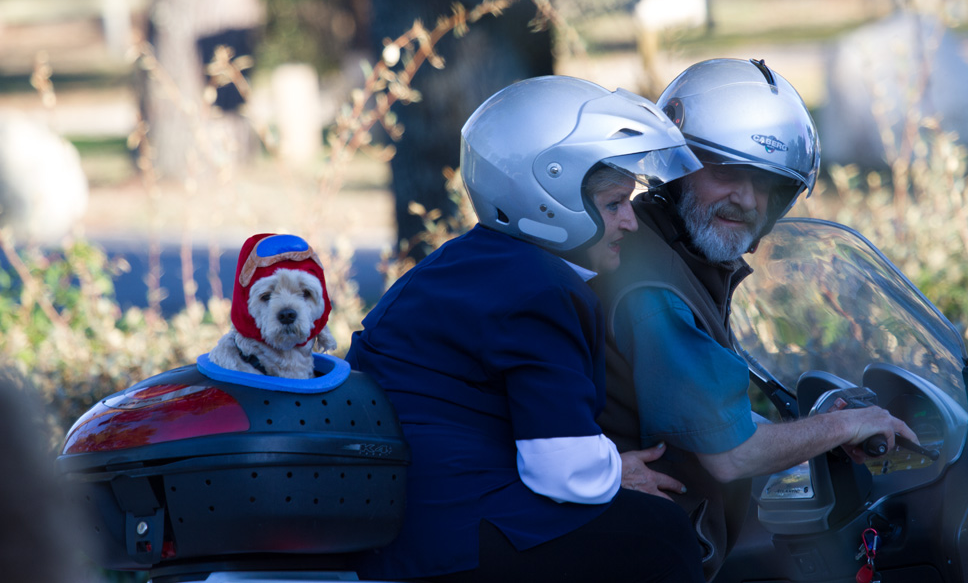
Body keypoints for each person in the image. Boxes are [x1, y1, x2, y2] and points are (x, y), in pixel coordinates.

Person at [345, 75, 706, 582]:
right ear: (549, 201)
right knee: (660, 534)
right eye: (613, 204)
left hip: (400, 520)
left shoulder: (474, 260)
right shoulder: (540, 290)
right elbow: (563, 470)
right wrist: (611, 469)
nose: (630, 221)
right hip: (449, 535)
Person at [593, 58, 919, 580]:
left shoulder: (672, 253)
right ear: (676, 166)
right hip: (644, 551)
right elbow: (731, 454)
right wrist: (846, 424)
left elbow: (707, 417)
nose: (746, 199)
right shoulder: (655, 292)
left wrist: (822, 430)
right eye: (726, 171)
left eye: (767, 183)